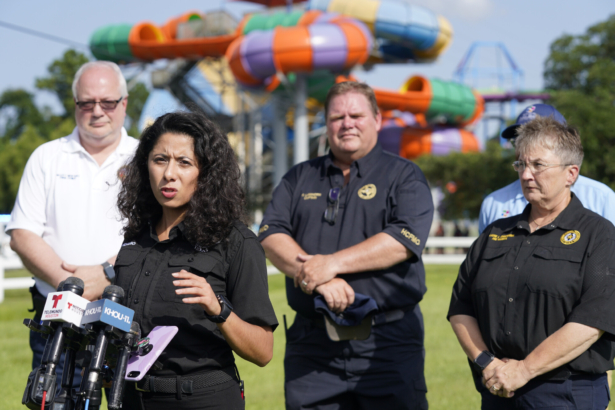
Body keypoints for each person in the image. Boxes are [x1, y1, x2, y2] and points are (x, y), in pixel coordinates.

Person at [259, 81, 434, 409]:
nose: (347, 123)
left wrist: (332, 264)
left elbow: (403, 240)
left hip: (387, 344)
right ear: (326, 123)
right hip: (312, 347)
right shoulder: (299, 177)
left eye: (356, 114)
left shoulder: (405, 176)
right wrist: (316, 276)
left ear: (378, 120)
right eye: (337, 117)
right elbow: (270, 233)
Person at [448, 116, 615, 409]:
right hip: (499, 390)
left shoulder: (599, 235)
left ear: (570, 174)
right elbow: (460, 307)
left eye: (538, 165)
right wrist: (487, 363)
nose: (526, 174)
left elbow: (594, 319)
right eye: (521, 164)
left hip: (566, 393)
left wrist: (524, 370)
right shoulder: (495, 233)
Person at [114, 111, 277, 409]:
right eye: (160, 159)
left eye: (184, 162)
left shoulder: (236, 242)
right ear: (144, 165)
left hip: (203, 400)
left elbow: (263, 351)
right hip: (129, 398)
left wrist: (218, 309)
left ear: (206, 172)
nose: (169, 174)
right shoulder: (135, 238)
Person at [7, 61, 139, 388]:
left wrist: (106, 273)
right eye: (87, 102)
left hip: (129, 312)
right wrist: (73, 286)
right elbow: (23, 235)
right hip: (58, 317)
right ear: (75, 105)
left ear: (123, 103)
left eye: (107, 102)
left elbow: (156, 236)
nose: (98, 111)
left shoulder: (146, 158)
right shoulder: (47, 157)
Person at [479, 103, 615, 233]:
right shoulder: (493, 203)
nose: (524, 147)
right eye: (518, 140)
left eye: (538, 137)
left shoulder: (601, 197)